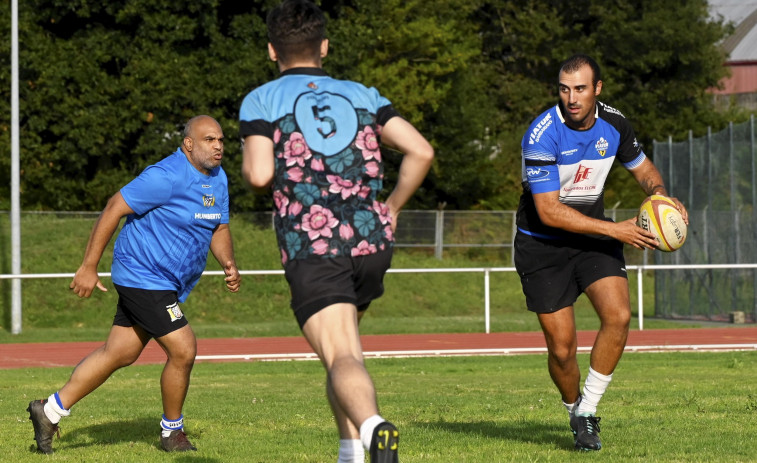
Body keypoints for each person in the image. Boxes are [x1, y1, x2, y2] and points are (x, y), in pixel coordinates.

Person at [239, 1, 434, 462]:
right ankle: (350, 453)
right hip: (371, 240)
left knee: (342, 355)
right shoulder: (364, 94)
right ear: (324, 46)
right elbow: (421, 151)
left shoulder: (262, 99)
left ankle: (373, 427)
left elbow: (260, 175)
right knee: (345, 355)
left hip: (313, 242)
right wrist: (392, 207)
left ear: (272, 51)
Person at [27, 115, 241, 454]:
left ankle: (49, 410)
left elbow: (218, 227)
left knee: (120, 353)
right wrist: (88, 266)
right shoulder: (165, 176)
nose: (218, 146)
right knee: (183, 349)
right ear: (189, 144)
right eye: (209, 139)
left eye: (221, 140)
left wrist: (228, 262)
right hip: (142, 275)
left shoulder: (218, 179)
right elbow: (114, 207)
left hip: (164, 281)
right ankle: (172, 432)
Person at [514, 54, 688, 451]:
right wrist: (618, 230)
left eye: (579, 89)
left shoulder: (615, 123)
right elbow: (549, 211)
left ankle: (588, 412)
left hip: (593, 240)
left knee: (619, 315)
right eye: (564, 88)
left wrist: (660, 197)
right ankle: (572, 406)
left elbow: (644, 171)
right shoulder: (541, 134)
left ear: (597, 89)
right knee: (562, 350)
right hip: (542, 246)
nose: (571, 98)